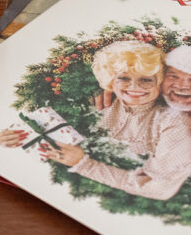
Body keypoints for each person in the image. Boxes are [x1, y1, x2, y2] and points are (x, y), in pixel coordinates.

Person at [42, 41, 191, 200]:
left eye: (146, 79)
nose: (135, 86)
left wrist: (84, 164)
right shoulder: (95, 101)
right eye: (124, 78)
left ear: (158, 80)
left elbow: (158, 188)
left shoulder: (175, 124)